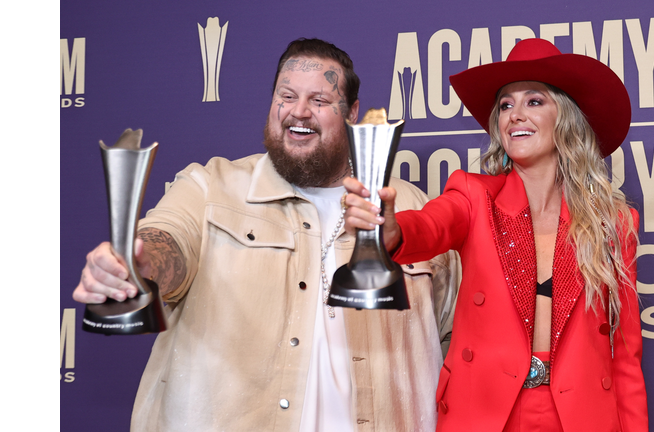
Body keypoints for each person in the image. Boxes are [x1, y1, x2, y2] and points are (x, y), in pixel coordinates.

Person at [73, 38, 459, 432]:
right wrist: (137, 266)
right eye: (286, 96)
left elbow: (465, 337)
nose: (298, 111)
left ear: (352, 112)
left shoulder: (414, 208)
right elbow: (167, 238)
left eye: (319, 100)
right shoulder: (211, 187)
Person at [343, 38, 647, 432]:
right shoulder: (473, 196)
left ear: (566, 118)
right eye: (505, 105)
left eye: (533, 101)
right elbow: (430, 225)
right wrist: (390, 230)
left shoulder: (613, 223)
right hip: (487, 413)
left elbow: (626, 356)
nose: (515, 115)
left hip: (581, 417)